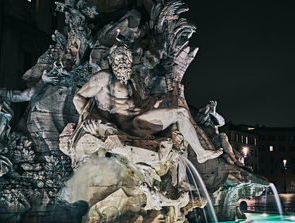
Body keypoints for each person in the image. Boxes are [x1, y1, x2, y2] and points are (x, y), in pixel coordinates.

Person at [73, 44, 222, 163]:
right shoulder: (104, 77)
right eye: (119, 59)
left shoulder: (130, 81)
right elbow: (78, 97)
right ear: (111, 61)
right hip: (125, 126)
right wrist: (87, 117)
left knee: (181, 112)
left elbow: (141, 104)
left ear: (130, 61)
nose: (123, 62)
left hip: (139, 121)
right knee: (180, 112)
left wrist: (159, 102)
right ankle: (200, 153)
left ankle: (200, 153)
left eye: (126, 59)